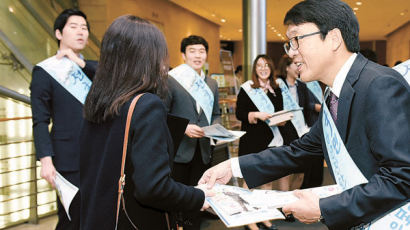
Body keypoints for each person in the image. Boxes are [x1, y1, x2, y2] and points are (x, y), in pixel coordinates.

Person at [199, 1, 409, 230]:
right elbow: (301, 150)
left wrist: (324, 208)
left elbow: (401, 176)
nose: (291, 53)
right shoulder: (334, 92)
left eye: (297, 40)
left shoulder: (379, 84)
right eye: (290, 43)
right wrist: (233, 167)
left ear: (334, 38)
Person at [79, 16, 210, 230]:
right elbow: (154, 187)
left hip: (99, 216)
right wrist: (198, 196)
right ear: (148, 58)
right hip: (135, 220)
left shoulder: (98, 99)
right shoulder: (147, 104)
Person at [30, 9, 97, 230]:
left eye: (84, 28)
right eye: (74, 27)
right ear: (59, 33)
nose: (81, 32)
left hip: (98, 155)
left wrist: (77, 62)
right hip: (67, 159)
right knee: (72, 217)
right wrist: (46, 160)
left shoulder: (94, 69)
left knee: (96, 215)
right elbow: (40, 120)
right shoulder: (45, 71)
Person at [165, 35, 221, 230]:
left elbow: (216, 113)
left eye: (202, 51)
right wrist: (184, 128)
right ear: (183, 55)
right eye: (192, 51)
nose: (198, 56)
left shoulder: (212, 84)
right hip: (180, 150)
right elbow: (162, 114)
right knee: (177, 196)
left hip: (203, 150)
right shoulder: (172, 80)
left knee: (198, 195)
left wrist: (215, 127)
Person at [236, 55, 294, 230]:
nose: (263, 68)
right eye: (259, 66)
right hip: (253, 141)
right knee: (251, 182)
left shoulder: (276, 88)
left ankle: (263, 216)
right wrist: (256, 115)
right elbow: (240, 114)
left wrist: (282, 119)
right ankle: (250, 221)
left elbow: (280, 111)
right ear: (255, 69)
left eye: (267, 65)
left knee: (267, 182)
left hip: (273, 140)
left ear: (271, 68)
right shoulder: (247, 89)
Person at [277, 54, 324, 190]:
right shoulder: (278, 86)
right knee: (285, 172)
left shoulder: (302, 86)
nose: (298, 68)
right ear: (286, 68)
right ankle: (284, 205)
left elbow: (305, 109)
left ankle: (293, 203)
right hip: (285, 131)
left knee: (300, 174)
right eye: (295, 65)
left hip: (301, 131)